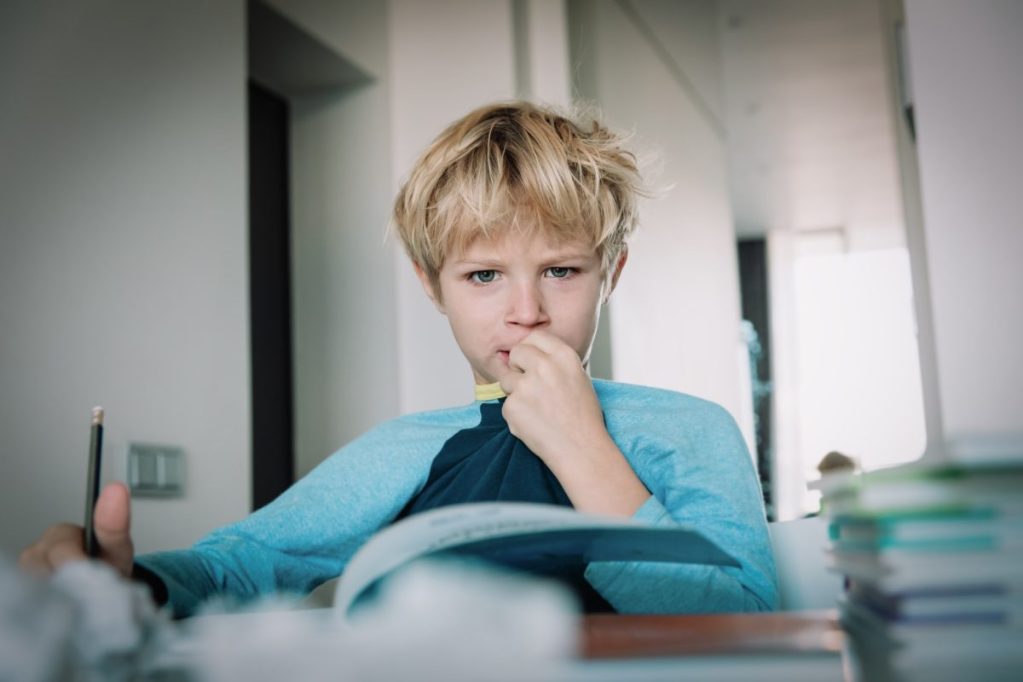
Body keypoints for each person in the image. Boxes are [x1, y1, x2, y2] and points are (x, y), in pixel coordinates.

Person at [20, 101, 777, 617]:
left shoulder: (686, 428)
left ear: (609, 274)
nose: (526, 311)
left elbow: (744, 620)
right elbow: (239, 565)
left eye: (561, 270)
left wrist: (583, 449)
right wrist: (125, 581)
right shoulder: (406, 450)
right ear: (432, 286)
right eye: (483, 275)